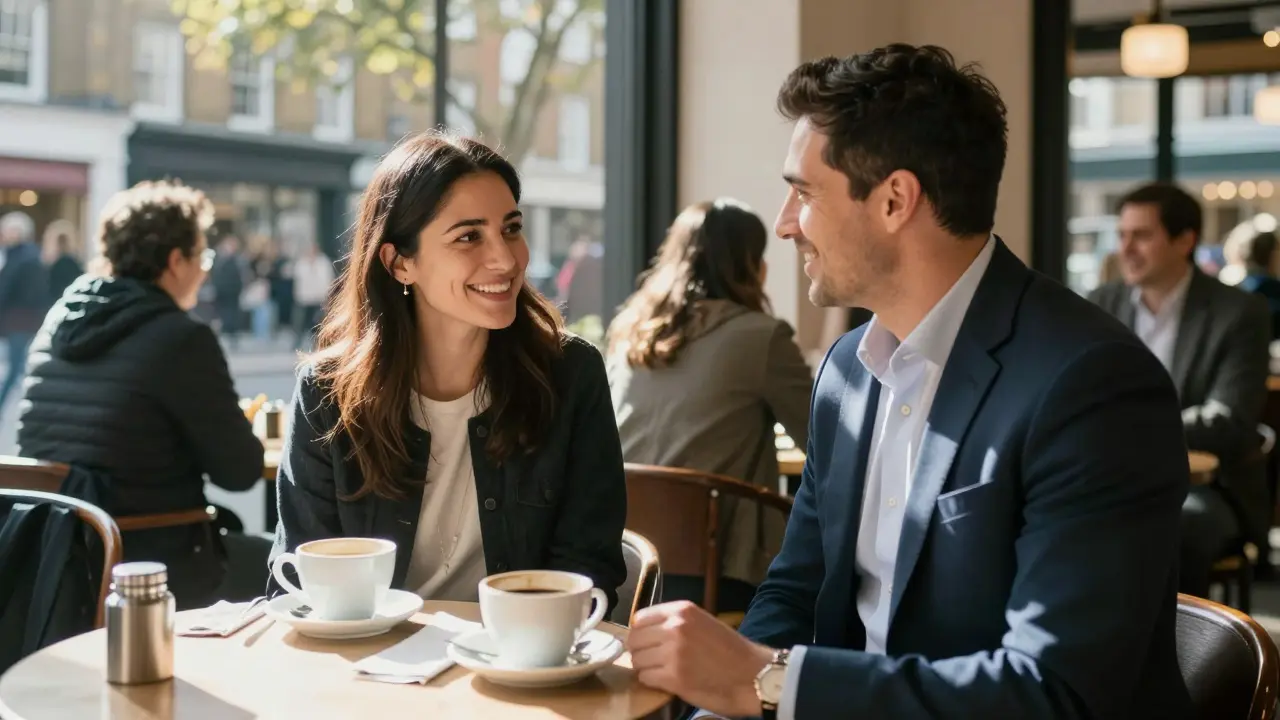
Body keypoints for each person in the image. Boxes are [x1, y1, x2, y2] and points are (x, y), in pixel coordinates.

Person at [626, 45, 1191, 719]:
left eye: (804, 193)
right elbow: (796, 591)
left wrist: (770, 684)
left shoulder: (1092, 386)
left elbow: (1056, 695)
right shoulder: (844, 372)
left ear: (895, 199)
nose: (784, 224)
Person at [269, 132, 627, 609]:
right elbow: (297, 573)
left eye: (512, 228)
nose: (506, 259)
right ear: (399, 263)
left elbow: (587, 565)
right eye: (468, 236)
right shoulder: (327, 393)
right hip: (371, 663)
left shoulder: (569, 374)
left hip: (521, 660)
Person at [16, 180, 267, 609]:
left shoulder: (61, 317)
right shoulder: (182, 338)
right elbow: (240, 472)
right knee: (287, 563)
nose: (205, 270)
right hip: (150, 561)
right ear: (175, 261)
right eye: (201, 257)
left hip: (53, 559)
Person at [606, 199, 812, 612]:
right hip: (720, 580)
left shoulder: (629, 333)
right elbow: (828, 443)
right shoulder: (761, 337)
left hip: (626, 573)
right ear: (752, 264)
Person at [1090, 183, 1271, 600]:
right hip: (1110, 476)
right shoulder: (1100, 304)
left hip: (1208, 486)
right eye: (1122, 235)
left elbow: (1230, 420)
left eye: (1142, 235)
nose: (1126, 249)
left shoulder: (1239, 312)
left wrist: (1129, 428)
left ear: (1185, 239)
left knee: (1173, 527)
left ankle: (1177, 657)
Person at [0, 211, 50, 407]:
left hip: (21, 320)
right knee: (19, 367)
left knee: (18, 368)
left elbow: (17, 290)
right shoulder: (12, 255)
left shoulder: (26, 257)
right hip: (16, 320)